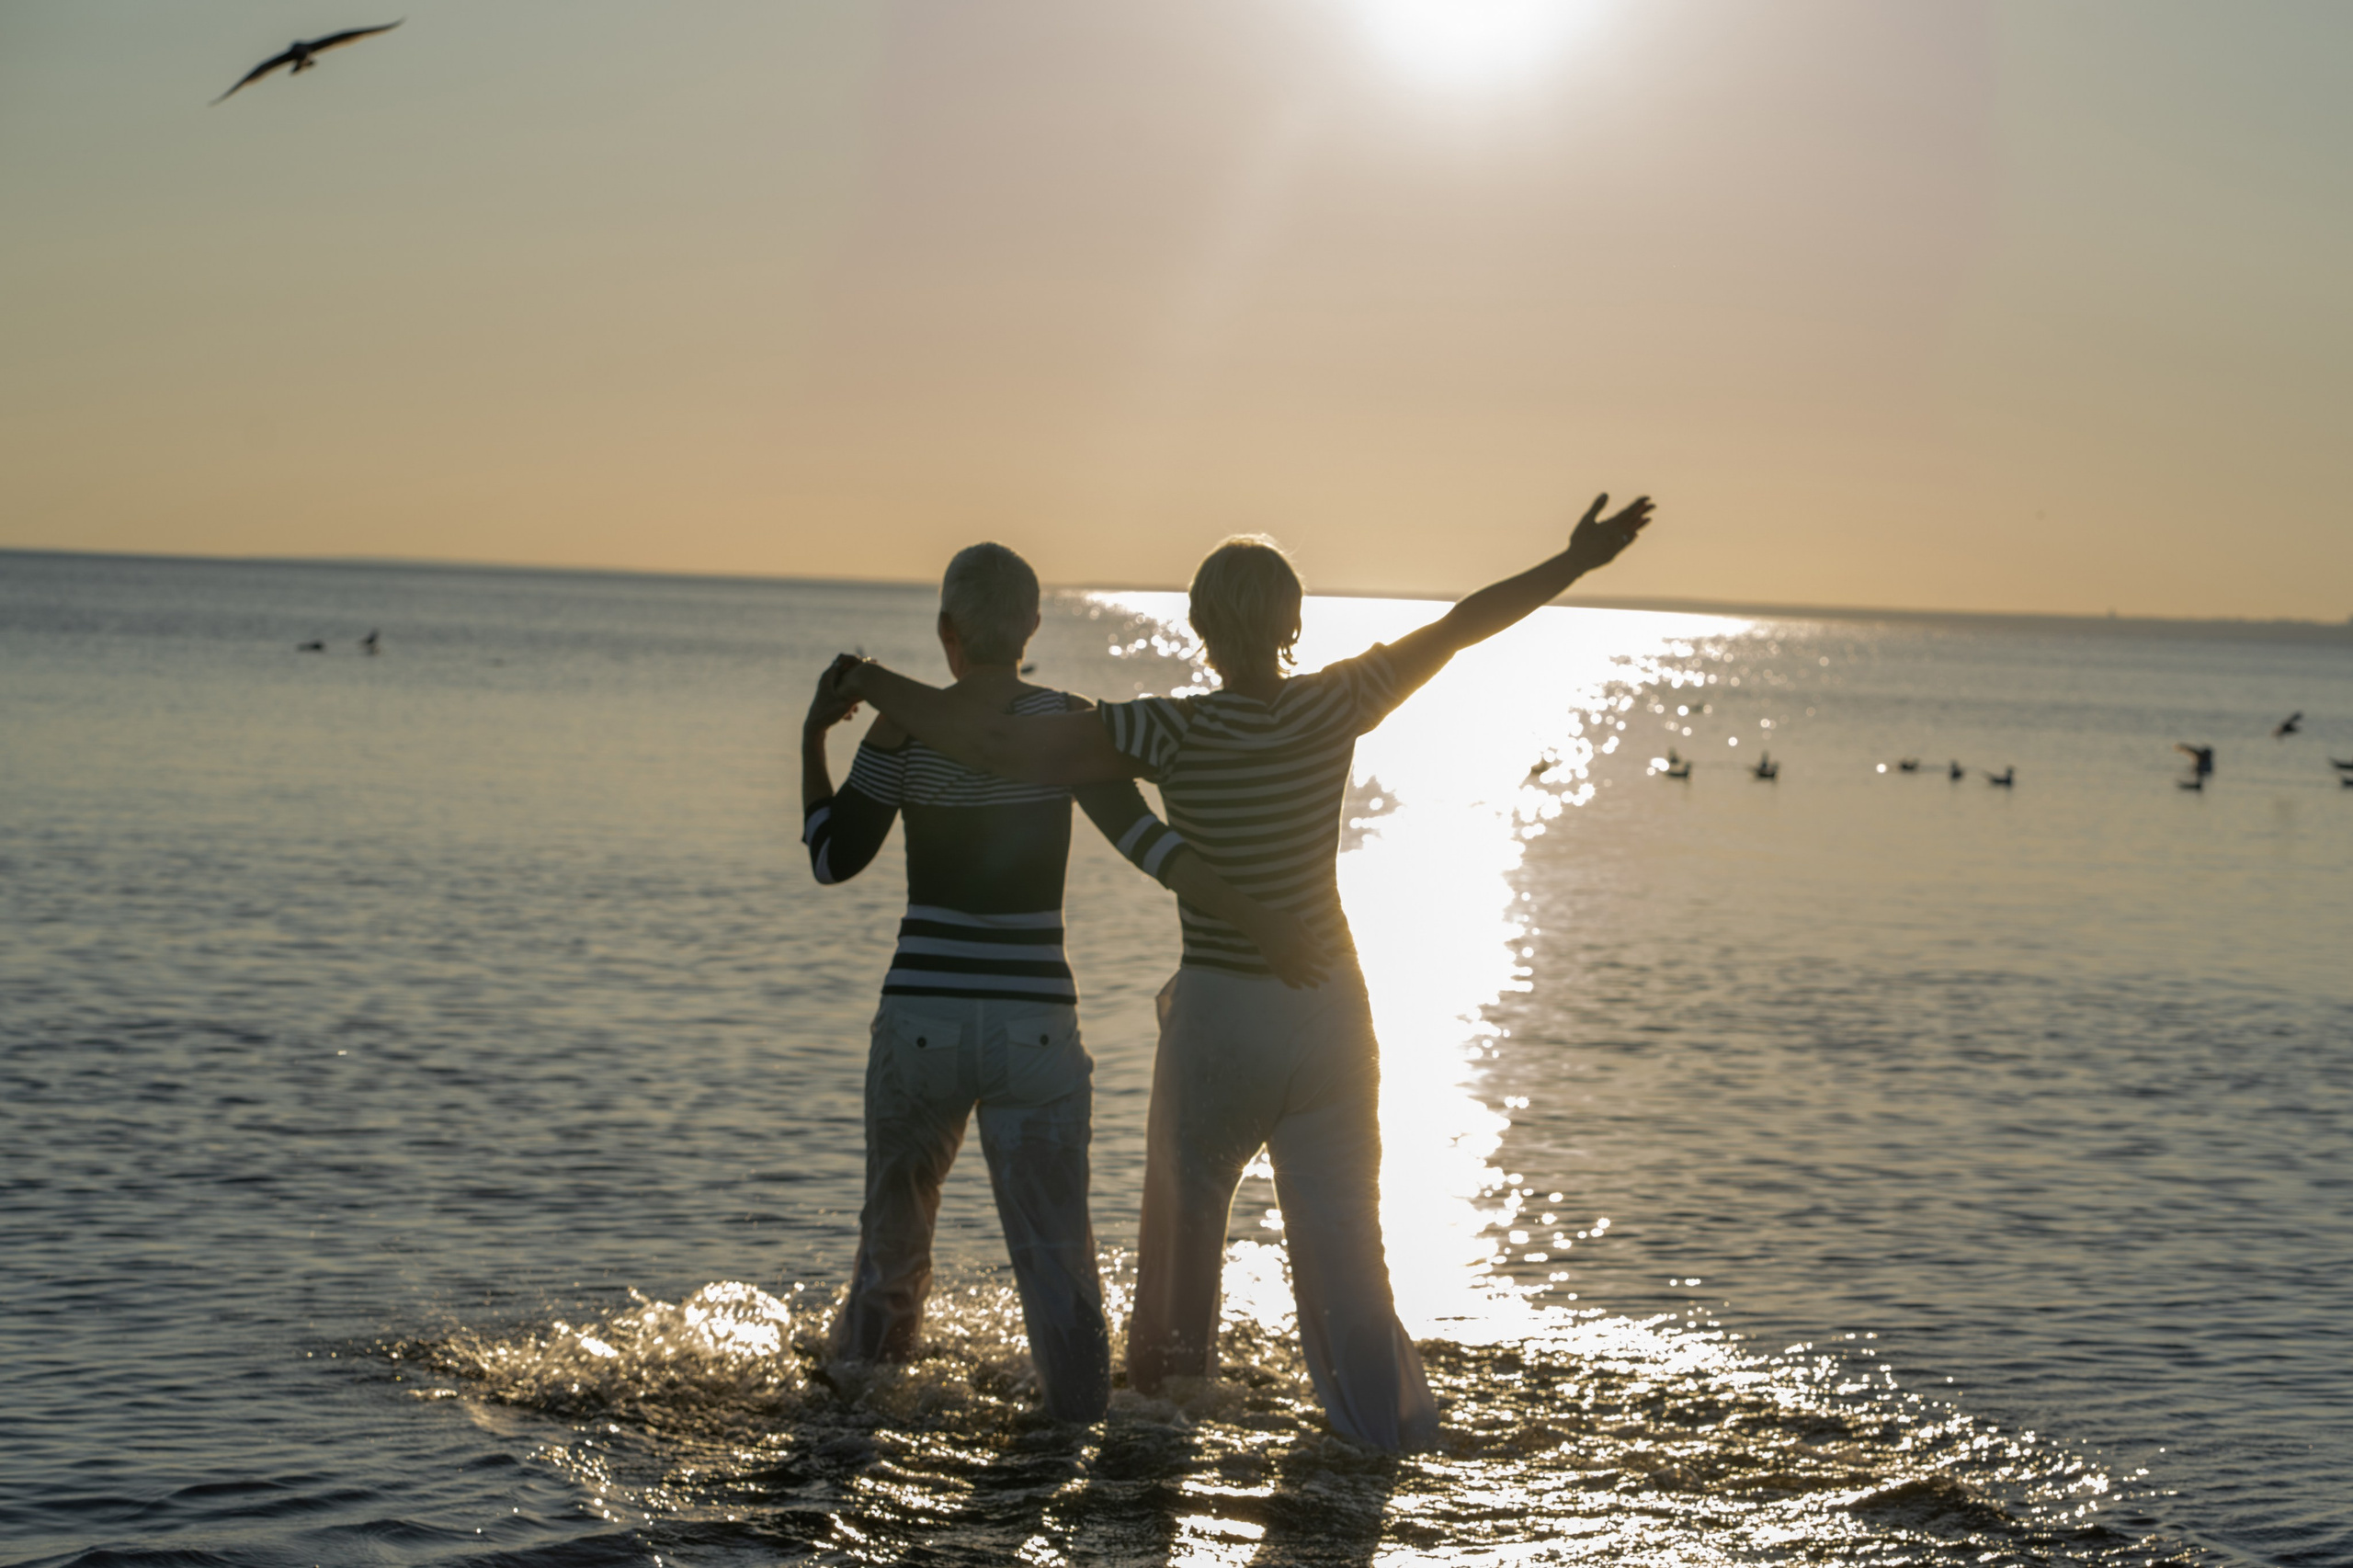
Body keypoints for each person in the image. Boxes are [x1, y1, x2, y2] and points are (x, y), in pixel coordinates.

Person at [824, 494, 1655, 1450]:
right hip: (1330, 1005)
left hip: (1220, 1010)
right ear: (1294, 624)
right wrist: (1574, 560)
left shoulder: (1164, 729)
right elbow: (1465, 624)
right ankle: (1377, 1432)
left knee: (1182, 1255)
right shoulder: (1340, 697)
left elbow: (998, 740)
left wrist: (871, 681)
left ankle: (1160, 1436)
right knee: (1349, 1245)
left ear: (1199, 628)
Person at [801, 541, 1330, 1425]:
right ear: (1032, 627)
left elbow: (830, 859)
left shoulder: (900, 729)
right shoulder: (1067, 726)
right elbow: (1158, 853)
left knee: (892, 1250)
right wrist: (1264, 921)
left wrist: (813, 735)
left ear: (947, 632)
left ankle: (852, 1428)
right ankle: (1081, 1431)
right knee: (1057, 1257)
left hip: (920, 1021)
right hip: (1036, 1026)